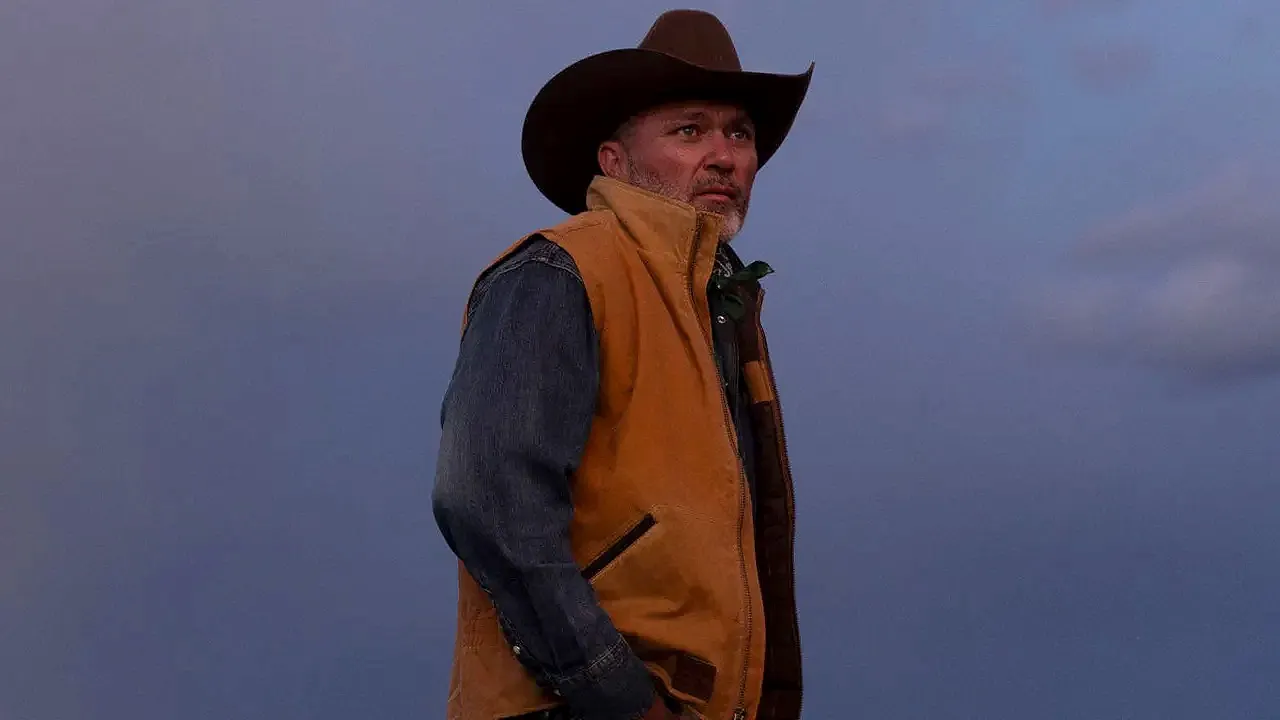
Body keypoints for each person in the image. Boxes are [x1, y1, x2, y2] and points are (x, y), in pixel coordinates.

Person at [431, 9, 813, 720]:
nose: (724, 156)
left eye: (740, 133)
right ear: (613, 161)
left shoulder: (723, 310)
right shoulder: (559, 271)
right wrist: (616, 693)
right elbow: (486, 499)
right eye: (689, 130)